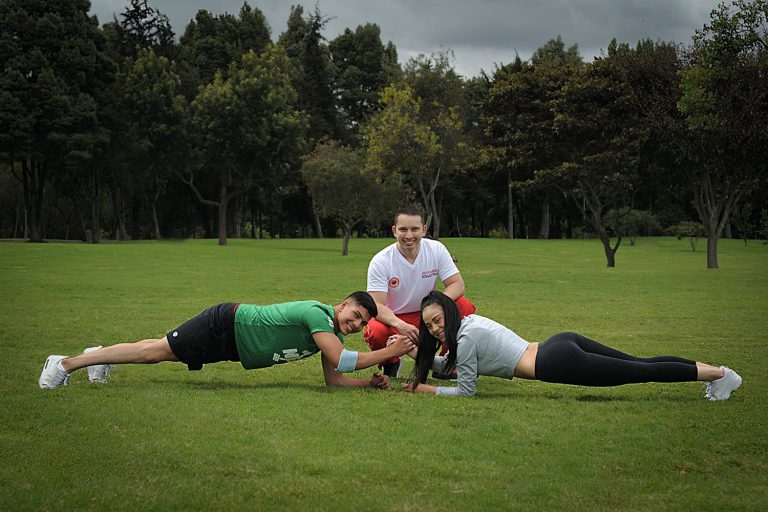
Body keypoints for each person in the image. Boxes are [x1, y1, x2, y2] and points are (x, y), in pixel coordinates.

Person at [396, 291, 742, 400]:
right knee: (642, 362)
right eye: (428, 326)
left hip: (556, 362)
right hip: (558, 343)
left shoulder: (466, 338)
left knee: (639, 370)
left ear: (451, 314)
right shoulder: (469, 327)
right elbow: (455, 367)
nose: (434, 329)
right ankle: (716, 374)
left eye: (438, 321)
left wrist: (423, 389)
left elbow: (466, 390)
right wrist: (415, 352)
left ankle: (721, 374)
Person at [39, 292, 415, 390]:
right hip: (226, 324)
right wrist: (390, 351)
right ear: (343, 304)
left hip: (233, 347)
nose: (354, 324)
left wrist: (370, 382)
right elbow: (345, 360)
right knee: (154, 352)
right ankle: (64, 363)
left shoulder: (328, 334)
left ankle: (97, 356)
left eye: (361, 323)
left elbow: (335, 378)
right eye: (354, 316)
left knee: (157, 350)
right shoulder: (319, 315)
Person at [365, 206, 476, 378]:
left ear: (424, 230)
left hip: (427, 313)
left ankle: (448, 362)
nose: (409, 235)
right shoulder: (381, 261)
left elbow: (457, 284)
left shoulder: (436, 249)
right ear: (394, 231)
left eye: (414, 229)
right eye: (403, 229)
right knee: (375, 330)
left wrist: (437, 306)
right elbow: (376, 305)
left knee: (464, 306)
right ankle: (391, 362)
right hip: (395, 317)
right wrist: (399, 324)